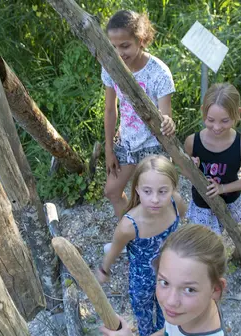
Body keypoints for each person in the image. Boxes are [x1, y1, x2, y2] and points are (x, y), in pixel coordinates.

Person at [100, 224, 231, 336]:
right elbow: (174, 332)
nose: (170, 301)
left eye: (189, 289)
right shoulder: (195, 311)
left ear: (216, 289)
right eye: (164, 282)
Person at [96, 155, 187, 336]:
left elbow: (180, 220)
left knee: (168, 313)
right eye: (147, 191)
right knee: (144, 317)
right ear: (137, 189)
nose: (155, 199)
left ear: (173, 189)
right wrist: (104, 270)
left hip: (171, 276)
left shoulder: (176, 204)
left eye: (163, 191)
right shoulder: (129, 225)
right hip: (142, 282)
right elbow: (114, 249)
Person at [102, 10, 176, 221]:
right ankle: (132, 233)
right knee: (112, 191)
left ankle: (158, 239)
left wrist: (168, 123)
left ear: (141, 40)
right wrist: (109, 148)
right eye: (113, 47)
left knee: (155, 200)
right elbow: (110, 108)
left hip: (152, 145)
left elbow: (165, 115)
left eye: (125, 46)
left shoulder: (158, 72)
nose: (119, 53)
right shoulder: (110, 66)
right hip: (126, 142)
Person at [184, 83, 241, 235]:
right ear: (203, 112)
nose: (217, 127)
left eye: (225, 121)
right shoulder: (192, 142)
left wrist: (222, 188)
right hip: (202, 205)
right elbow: (179, 169)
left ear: (237, 113)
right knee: (203, 242)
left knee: (224, 238)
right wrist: (190, 167)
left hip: (229, 202)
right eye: (211, 120)